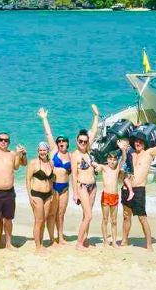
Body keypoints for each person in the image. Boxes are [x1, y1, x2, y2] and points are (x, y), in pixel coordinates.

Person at [121, 121, 156, 250]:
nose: (138, 143)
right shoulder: (130, 153)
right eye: (136, 141)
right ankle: (124, 240)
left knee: (142, 217)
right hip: (126, 188)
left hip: (139, 189)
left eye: (141, 141)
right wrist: (135, 127)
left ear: (144, 143)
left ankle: (148, 244)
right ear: (133, 142)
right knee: (126, 216)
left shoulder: (148, 153)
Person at [38, 107, 72, 247]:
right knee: (52, 214)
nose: (61, 143)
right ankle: (52, 239)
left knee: (61, 214)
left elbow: (72, 171)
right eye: (59, 141)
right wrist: (44, 118)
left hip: (65, 188)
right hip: (54, 187)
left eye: (63, 141)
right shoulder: (54, 151)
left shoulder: (71, 155)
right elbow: (48, 134)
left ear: (67, 143)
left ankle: (61, 237)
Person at [71, 103, 101, 250]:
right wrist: (75, 193)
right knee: (89, 216)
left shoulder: (88, 151)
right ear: (77, 141)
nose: (83, 143)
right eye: (80, 141)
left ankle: (85, 239)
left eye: (85, 141)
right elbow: (74, 176)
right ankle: (78, 243)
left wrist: (96, 115)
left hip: (93, 186)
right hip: (82, 186)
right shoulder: (75, 155)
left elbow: (94, 131)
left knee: (86, 215)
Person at [95, 148, 130, 248]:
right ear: (107, 159)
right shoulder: (104, 167)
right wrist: (96, 166)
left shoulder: (117, 169)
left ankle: (114, 242)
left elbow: (124, 158)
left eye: (114, 159)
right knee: (105, 219)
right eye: (110, 159)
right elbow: (97, 166)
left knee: (114, 221)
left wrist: (123, 149)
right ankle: (105, 241)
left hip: (114, 197)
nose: (112, 161)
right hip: (106, 196)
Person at [25, 141, 55, 252]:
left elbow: (51, 180)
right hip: (36, 194)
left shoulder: (50, 163)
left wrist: (52, 194)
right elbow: (28, 179)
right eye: (40, 150)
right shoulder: (33, 163)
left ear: (47, 151)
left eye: (44, 150)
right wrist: (29, 196)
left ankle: (41, 243)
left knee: (44, 219)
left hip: (48, 195)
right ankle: (38, 246)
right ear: (38, 151)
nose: (42, 152)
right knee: (39, 220)